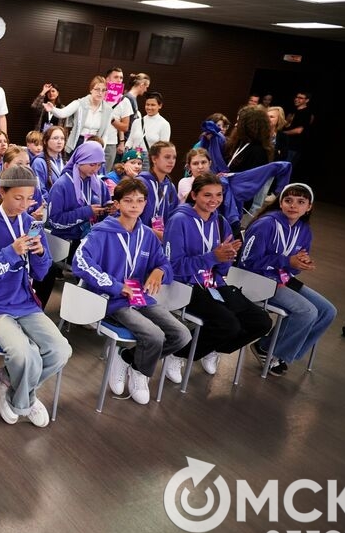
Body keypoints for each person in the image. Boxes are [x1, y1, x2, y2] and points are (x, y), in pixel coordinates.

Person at [0, 166, 72, 426]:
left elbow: (43, 271)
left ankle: (11, 387)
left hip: (25, 302)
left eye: (30, 198)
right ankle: (25, 400)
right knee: (25, 355)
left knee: (60, 350)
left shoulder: (30, 224)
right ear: (2, 192)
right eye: (18, 198)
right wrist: (11, 252)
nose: (24, 205)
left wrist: (38, 254)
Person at [73, 178, 192, 401]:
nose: (134, 205)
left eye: (139, 201)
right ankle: (141, 372)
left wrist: (159, 272)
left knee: (182, 334)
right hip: (111, 298)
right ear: (117, 204)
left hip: (140, 298)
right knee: (154, 335)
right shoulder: (101, 232)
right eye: (128, 201)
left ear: (146, 204)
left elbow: (165, 263)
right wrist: (117, 286)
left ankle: (128, 359)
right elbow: (81, 262)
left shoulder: (147, 235)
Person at [162, 173, 272, 381]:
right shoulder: (179, 220)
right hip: (184, 285)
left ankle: (211, 347)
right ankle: (178, 354)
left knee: (261, 322)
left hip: (214, 284)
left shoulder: (220, 222)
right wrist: (213, 256)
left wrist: (227, 258)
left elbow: (220, 269)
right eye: (207, 195)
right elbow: (173, 267)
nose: (214, 200)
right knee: (228, 324)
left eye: (219, 195)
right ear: (194, 195)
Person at [239, 183, 336, 376]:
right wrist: (286, 261)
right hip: (256, 279)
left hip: (281, 279)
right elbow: (246, 262)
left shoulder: (304, 230)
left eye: (301, 202)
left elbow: (293, 269)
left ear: (309, 207)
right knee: (307, 312)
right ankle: (266, 348)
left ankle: (282, 352)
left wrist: (299, 264)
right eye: (288, 200)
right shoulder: (266, 224)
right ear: (281, 203)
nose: (294, 205)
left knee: (328, 311)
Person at [46, 141, 112, 243]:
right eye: (92, 164)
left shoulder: (100, 184)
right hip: (66, 242)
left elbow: (104, 215)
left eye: (99, 165)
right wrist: (87, 211)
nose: (96, 169)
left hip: (92, 239)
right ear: (80, 160)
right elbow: (54, 221)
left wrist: (109, 210)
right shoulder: (61, 185)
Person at [45, 76, 115, 155]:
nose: (100, 93)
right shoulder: (80, 103)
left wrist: (101, 151)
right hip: (78, 141)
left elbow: (105, 134)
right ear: (91, 90)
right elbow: (63, 113)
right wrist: (52, 109)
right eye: (97, 89)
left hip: (94, 144)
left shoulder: (108, 110)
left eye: (103, 90)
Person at [139, 141, 180, 241]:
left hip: (160, 243)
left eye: (174, 157)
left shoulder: (170, 186)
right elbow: (129, 217)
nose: (171, 161)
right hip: (140, 240)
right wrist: (154, 233)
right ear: (154, 159)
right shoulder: (141, 183)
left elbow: (173, 215)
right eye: (167, 157)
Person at [111, 72, 150, 169]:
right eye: (146, 86)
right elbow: (121, 119)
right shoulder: (129, 98)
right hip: (122, 140)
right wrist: (122, 142)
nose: (146, 90)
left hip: (127, 140)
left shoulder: (132, 99)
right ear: (142, 85)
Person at [129, 91, 170, 171]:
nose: (149, 107)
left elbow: (164, 148)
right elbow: (130, 140)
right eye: (147, 104)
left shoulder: (164, 124)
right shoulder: (137, 121)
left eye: (153, 105)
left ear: (160, 106)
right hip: (134, 157)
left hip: (150, 158)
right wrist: (127, 150)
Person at [226, 106, 274, 173]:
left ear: (249, 126)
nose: (236, 124)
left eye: (239, 122)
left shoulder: (258, 152)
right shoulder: (240, 141)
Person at [281, 91, 314, 166]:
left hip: (293, 147)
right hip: (285, 145)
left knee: (284, 169)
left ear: (307, 100)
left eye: (300, 98)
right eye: (296, 97)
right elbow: (286, 124)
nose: (297, 99)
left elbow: (299, 130)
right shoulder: (293, 110)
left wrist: (282, 133)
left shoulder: (306, 113)